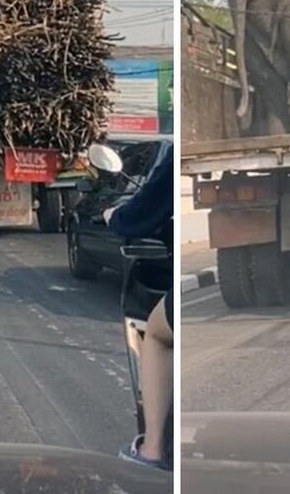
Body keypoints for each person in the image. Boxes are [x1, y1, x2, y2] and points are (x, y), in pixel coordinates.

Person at [104, 140, 173, 470]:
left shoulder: (174, 155)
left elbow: (145, 209)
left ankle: (152, 449)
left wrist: (114, 217)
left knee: (157, 335)